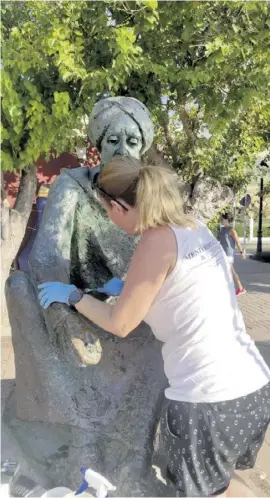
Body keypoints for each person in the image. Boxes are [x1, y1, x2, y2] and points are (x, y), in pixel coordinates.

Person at [38, 157, 270, 498]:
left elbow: (120, 323)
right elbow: (182, 288)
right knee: (222, 482)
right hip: (252, 387)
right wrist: (128, 285)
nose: (109, 218)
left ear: (118, 205)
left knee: (202, 491)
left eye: (107, 210)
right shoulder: (193, 227)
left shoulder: (155, 241)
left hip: (207, 401)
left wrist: (73, 296)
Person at [219, 213, 246, 296]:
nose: (220, 219)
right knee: (226, 271)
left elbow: (237, 241)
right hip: (222, 253)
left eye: (222, 218)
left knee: (231, 271)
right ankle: (234, 288)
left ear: (227, 220)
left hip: (228, 254)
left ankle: (240, 288)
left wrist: (242, 252)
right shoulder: (222, 229)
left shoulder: (231, 230)